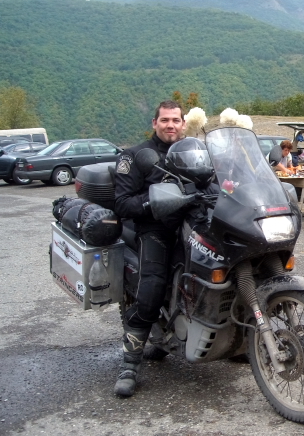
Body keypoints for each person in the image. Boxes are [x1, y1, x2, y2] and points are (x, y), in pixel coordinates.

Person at [113, 100, 185, 396]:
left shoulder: (194, 152)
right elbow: (122, 203)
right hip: (154, 229)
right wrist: (152, 202)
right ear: (155, 123)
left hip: (190, 226)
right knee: (153, 286)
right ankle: (130, 364)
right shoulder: (134, 156)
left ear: (183, 124)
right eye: (165, 120)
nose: (171, 125)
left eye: (176, 120)